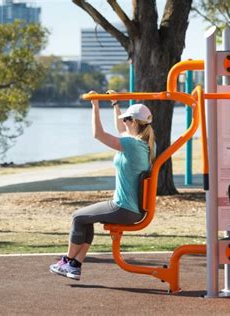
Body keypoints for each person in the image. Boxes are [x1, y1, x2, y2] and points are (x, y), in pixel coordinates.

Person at [50, 91, 155, 280]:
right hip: (131, 208)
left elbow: (98, 134)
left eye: (126, 120)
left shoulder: (131, 144)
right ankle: (74, 265)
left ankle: (67, 260)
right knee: (86, 218)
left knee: (77, 217)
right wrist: (115, 103)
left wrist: (95, 106)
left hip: (123, 207)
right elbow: (120, 129)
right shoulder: (144, 144)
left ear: (133, 122)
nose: (123, 123)